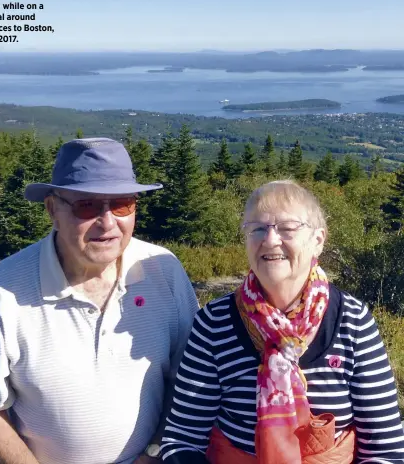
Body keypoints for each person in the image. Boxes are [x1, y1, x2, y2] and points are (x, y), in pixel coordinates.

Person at [0, 137, 200, 464]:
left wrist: (154, 451)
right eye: (87, 205)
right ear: (53, 209)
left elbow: (189, 377)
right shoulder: (0, 292)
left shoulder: (163, 270)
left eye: (123, 203)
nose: (108, 222)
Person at [161, 180, 404, 464]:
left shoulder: (352, 321)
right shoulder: (214, 323)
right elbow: (182, 438)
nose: (271, 239)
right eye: (258, 228)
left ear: (318, 240)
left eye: (288, 228)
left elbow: (385, 449)